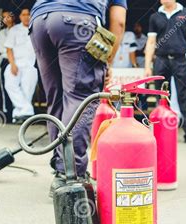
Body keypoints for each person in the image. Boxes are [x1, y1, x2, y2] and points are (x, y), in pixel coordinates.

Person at [29, 0, 127, 194]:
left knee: (56, 98)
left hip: (39, 21)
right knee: (79, 98)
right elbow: (119, 22)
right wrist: (108, 60)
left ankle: (61, 168)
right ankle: (70, 175)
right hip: (76, 22)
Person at [145, 0, 186, 145]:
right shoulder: (155, 16)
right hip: (161, 59)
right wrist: (147, 66)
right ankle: (161, 132)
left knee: (184, 95)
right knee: (161, 96)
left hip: (180, 59)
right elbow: (151, 42)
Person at [4, 9, 38, 123]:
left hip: (31, 64)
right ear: (19, 16)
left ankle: (19, 115)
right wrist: (12, 64)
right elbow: (9, 49)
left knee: (27, 90)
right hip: (16, 63)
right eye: (24, 15)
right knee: (10, 84)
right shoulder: (14, 30)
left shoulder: (36, 29)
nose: (26, 17)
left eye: (29, 14)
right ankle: (27, 110)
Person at [0, 11, 15, 120]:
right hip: (5, 60)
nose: (6, 19)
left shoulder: (19, 30)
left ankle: (19, 111)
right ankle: (8, 111)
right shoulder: (1, 33)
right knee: (5, 86)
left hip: (18, 60)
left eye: (8, 16)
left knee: (19, 86)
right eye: (4, 17)